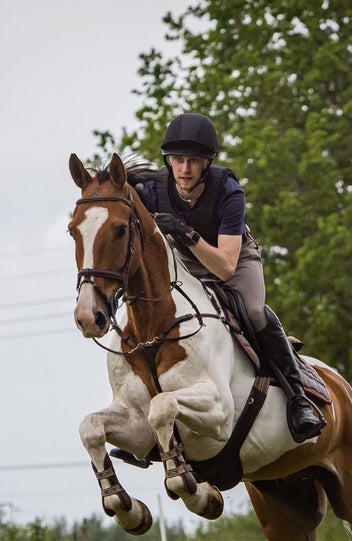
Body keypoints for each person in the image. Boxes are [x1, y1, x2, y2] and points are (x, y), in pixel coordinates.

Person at [135, 113, 326, 443]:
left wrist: (187, 234)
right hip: (184, 263)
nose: (184, 169)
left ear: (207, 163)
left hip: (235, 262)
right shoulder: (153, 189)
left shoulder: (228, 190)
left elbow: (224, 267)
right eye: (178, 160)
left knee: (253, 312)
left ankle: (298, 399)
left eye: (193, 161)